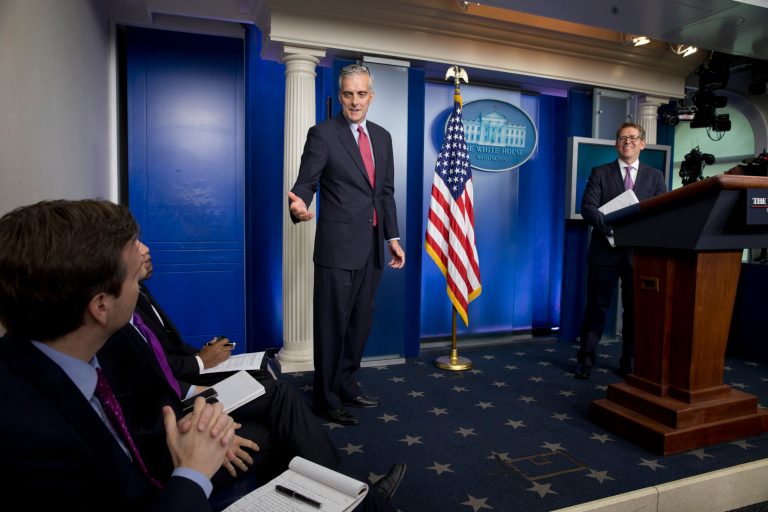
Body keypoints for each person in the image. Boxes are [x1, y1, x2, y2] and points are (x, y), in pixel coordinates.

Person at [0, 199, 237, 512]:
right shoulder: (31, 440)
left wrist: (183, 439)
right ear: (101, 306)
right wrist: (192, 472)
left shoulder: (82, 349)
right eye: (133, 278)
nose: (139, 286)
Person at [288, 64, 405, 426]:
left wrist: (392, 237)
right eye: (348, 94)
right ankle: (325, 398)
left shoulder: (383, 138)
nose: (355, 101)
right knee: (331, 325)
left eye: (361, 94)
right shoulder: (322, 134)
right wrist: (298, 205)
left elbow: (384, 193)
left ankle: (346, 382)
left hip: (371, 247)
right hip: (336, 249)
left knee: (360, 323)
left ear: (371, 96)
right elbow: (304, 183)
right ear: (340, 96)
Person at [575, 122, 668, 379]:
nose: (627, 142)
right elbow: (589, 209)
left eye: (632, 138)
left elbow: (661, 212)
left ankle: (630, 364)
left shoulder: (655, 176)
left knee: (635, 311)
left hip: (638, 255)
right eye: (621, 138)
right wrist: (615, 231)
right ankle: (585, 362)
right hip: (604, 251)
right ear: (616, 144)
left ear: (642, 143)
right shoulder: (600, 173)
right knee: (596, 308)